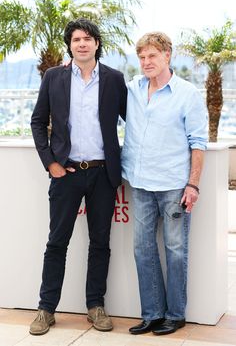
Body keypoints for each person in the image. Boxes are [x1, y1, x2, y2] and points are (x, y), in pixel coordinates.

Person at [30, 18, 127, 335]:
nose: (82, 44)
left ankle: (95, 306)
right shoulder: (53, 77)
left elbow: (134, 121)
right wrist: (50, 164)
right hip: (66, 173)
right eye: (76, 40)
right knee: (57, 242)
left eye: (87, 38)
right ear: (70, 45)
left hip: (103, 173)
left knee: (101, 242)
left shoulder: (114, 79)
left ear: (97, 43)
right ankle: (46, 309)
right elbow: (37, 121)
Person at [121, 32, 207, 336]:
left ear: (167, 55)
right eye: (142, 57)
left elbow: (198, 143)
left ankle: (175, 314)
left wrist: (193, 185)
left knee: (176, 250)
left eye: (152, 56)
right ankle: (153, 314)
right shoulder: (131, 89)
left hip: (173, 185)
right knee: (142, 249)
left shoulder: (187, 94)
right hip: (140, 184)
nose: (146, 62)